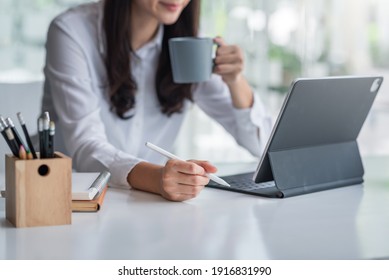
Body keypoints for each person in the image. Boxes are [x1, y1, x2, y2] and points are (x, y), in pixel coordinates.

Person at [42, 0, 271, 202]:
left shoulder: (189, 46)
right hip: (72, 202)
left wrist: (235, 80)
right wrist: (158, 178)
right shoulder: (72, 31)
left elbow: (261, 146)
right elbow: (85, 147)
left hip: (146, 203)